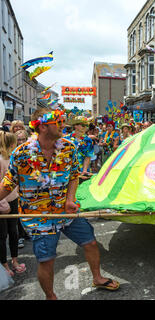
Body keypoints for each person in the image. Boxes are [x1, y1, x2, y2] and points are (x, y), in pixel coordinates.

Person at [0, 108, 119, 300]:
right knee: (47, 260)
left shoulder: (68, 148)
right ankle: (51, 296)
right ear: (44, 126)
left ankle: (97, 277)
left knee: (90, 242)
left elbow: (73, 176)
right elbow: (7, 185)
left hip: (65, 211)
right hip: (39, 218)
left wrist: (70, 199)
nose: (63, 125)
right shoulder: (21, 154)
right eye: (59, 122)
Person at [0, 131, 26, 277]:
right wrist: (3, 204)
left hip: (14, 200)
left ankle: (14, 261)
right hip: (2, 204)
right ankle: (5, 265)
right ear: (11, 144)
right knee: (2, 236)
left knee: (14, 233)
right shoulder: (0, 160)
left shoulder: (11, 159)